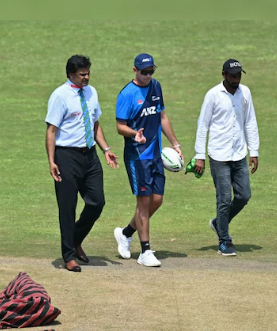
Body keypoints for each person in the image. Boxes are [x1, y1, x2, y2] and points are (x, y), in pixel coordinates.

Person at [46, 54, 119, 272]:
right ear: (71, 74)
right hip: (66, 156)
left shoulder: (91, 92)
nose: (86, 77)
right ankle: (69, 255)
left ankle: (75, 238)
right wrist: (51, 161)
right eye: (82, 74)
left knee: (97, 202)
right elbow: (51, 131)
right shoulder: (60, 96)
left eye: (88, 73)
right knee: (67, 208)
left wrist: (106, 149)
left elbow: (95, 123)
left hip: (90, 155)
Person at [114, 53, 183, 267]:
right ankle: (145, 251)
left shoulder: (156, 87)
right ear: (135, 70)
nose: (148, 75)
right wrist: (134, 133)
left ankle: (125, 233)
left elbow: (162, 116)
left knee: (157, 200)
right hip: (137, 157)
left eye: (151, 71)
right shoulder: (127, 94)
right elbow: (119, 126)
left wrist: (176, 144)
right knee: (143, 201)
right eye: (144, 72)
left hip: (155, 154)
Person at [193, 59, 260, 256]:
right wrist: (199, 156)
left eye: (238, 75)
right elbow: (203, 125)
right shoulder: (213, 95)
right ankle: (224, 240)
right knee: (223, 199)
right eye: (232, 75)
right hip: (218, 155)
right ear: (223, 74)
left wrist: (254, 151)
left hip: (239, 152)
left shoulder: (245, 93)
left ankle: (218, 223)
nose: (236, 79)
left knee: (244, 195)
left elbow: (250, 122)